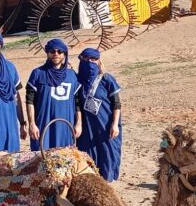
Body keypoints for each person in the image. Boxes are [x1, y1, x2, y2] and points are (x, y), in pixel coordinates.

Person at [26, 39, 82, 151]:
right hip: (43, 126)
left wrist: (79, 123)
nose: (56, 54)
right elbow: (29, 100)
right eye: (52, 51)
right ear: (47, 53)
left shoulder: (72, 76)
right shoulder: (38, 73)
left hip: (66, 127)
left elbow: (77, 103)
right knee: (41, 158)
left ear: (64, 54)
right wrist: (32, 123)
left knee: (64, 158)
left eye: (59, 51)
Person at [76, 48, 123, 181]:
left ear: (99, 61)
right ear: (82, 60)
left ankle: (106, 183)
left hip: (105, 125)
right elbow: (77, 104)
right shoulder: (78, 81)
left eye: (94, 59)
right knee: (88, 157)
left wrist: (115, 124)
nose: (90, 62)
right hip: (87, 128)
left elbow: (117, 103)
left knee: (107, 155)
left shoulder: (106, 79)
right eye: (87, 59)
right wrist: (78, 123)